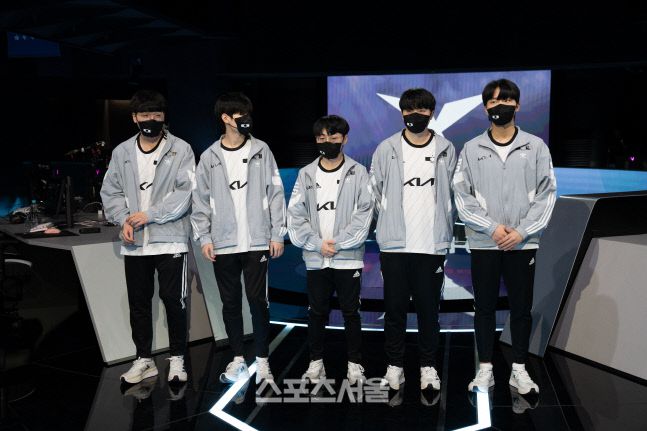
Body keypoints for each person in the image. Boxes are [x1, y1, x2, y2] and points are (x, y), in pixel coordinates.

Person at [452, 78, 556, 395]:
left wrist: (522, 231)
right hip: (486, 242)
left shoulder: (536, 146)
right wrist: (492, 229)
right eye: (494, 101)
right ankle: (485, 369)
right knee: (484, 307)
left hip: (523, 244)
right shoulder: (471, 148)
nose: (501, 106)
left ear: (517, 105)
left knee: (521, 308)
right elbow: (462, 196)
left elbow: (547, 194)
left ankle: (519, 370)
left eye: (507, 100)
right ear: (486, 107)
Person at [191, 92, 286, 385]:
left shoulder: (261, 149)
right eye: (239, 115)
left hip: (257, 241)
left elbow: (276, 193)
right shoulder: (209, 156)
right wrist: (204, 237)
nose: (245, 119)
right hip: (224, 242)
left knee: (258, 301)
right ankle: (237, 358)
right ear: (225, 118)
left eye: (247, 114)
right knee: (230, 302)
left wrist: (277, 233)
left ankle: (263, 360)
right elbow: (200, 200)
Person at [101, 89, 195, 384]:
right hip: (135, 243)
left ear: (164, 117)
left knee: (173, 300)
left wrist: (150, 215)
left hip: (170, 238)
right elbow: (111, 191)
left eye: (156, 114)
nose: (151, 119)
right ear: (134, 118)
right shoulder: (122, 152)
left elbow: (186, 193)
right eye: (145, 115)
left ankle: (178, 357)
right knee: (139, 303)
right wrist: (123, 219)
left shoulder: (181, 149)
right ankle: (143, 359)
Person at [370, 88, 457, 392]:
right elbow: (374, 192)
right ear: (401, 113)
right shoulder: (386, 148)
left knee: (429, 311)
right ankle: (394, 366)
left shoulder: (446, 148)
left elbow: (452, 193)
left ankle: (428, 367)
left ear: (431, 113)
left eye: (421, 110)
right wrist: (388, 225)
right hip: (395, 246)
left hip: (431, 246)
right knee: (394, 310)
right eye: (408, 110)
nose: (414, 115)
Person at [287, 115, 374, 385]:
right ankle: (315, 363)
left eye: (333, 137)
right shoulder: (306, 174)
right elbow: (295, 215)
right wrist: (317, 244)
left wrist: (338, 243)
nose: (328, 142)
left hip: (347, 259)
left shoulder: (359, 172)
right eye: (322, 138)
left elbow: (365, 214)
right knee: (316, 312)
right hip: (316, 259)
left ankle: (355, 364)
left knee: (351, 313)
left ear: (344, 139)